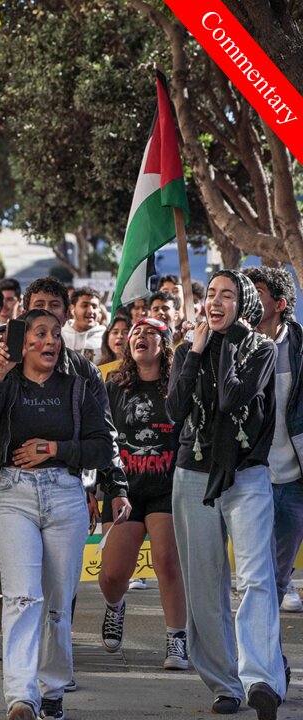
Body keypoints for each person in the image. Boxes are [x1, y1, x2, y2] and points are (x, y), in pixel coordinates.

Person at [0, 309, 128, 720]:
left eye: (55, 335)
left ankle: (53, 689)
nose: (50, 341)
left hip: (66, 496)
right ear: (22, 343)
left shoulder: (79, 388)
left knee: (58, 604)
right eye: (40, 334)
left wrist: (54, 449)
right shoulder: (5, 383)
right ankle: (21, 697)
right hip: (13, 495)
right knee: (23, 598)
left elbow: (102, 446)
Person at [167, 269, 286, 718]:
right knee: (204, 585)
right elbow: (176, 408)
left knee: (255, 580)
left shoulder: (261, 348)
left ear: (245, 306)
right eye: (210, 294)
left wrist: (225, 345)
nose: (215, 302)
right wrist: (196, 350)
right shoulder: (186, 350)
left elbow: (231, 398)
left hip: (246, 475)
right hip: (192, 475)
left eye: (228, 295)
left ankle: (261, 680)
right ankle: (224, 684)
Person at [97, 318, 188, 669]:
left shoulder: (178, 384)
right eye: (135, 332)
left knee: (168, 561)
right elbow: (102, 436)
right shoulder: (113, 385)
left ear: (164, 344)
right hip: (124, 489)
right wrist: (97, 485)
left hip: (167, 487)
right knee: (113, 574)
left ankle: (176, 638)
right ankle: (115, 606)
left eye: (150, 332)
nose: (140, 337)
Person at [243, 267, 303, 617]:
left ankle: (267, 656)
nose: (248, 298)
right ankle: (260, 661)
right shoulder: (232, 346)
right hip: (250, 478)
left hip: (293, 483)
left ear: (279, 304)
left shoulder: (299, 349)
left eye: (258, 292)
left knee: (278, 579)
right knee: (255, 578)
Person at [64, 289, 104, 363]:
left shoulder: (106, 337)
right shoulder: (59, 336)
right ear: (72, 308)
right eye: (85, 305)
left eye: (94, 306)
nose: (90, 311)